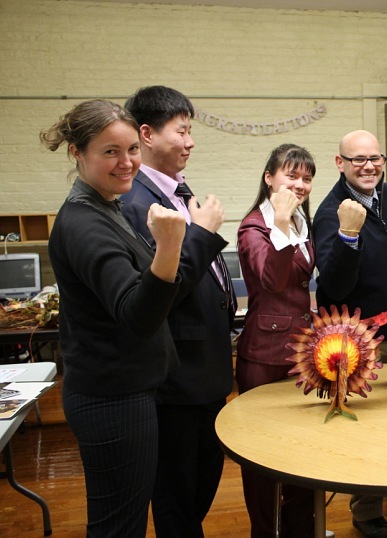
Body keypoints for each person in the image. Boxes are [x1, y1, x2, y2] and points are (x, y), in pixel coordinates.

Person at [43, 99, 186, 537]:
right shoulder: (84, 223)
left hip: (124, 391)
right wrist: (170, 246)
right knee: (118, 527)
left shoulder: (106, 206)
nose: (127, 163)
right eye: (110, 152)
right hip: (112, 400)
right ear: (77, 152)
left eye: (132, 150)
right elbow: (136, 315)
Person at [119, 86, 234, 537]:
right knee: (178, 495)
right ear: (147, 134)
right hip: (177, 375)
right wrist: (203, 232)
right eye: (181, 131)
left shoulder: (173, 191)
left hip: (202, 369)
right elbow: (163, 289)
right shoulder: (137, 203)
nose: (190, 142)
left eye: (190, 131)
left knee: (198, 486)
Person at [312, 129, 387, 538]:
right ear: (340, 163)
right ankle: (367, 511)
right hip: (359, 340)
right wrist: (348, 235)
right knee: (370, 429)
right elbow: (334, 286)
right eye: (358, 159)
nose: (368, 166)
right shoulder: (329, 212)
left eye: (375, 158)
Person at [236, 144, 317, 536]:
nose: (300, 184)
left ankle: (301, 528)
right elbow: (272, 280)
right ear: (269, 178)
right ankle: (265, 530)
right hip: (264, 354)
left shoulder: (302, 221)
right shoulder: (254, 226)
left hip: (301, 351)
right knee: (262, 455)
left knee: (302, 448)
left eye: (307, 178)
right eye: (291, 175)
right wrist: (281, 221)